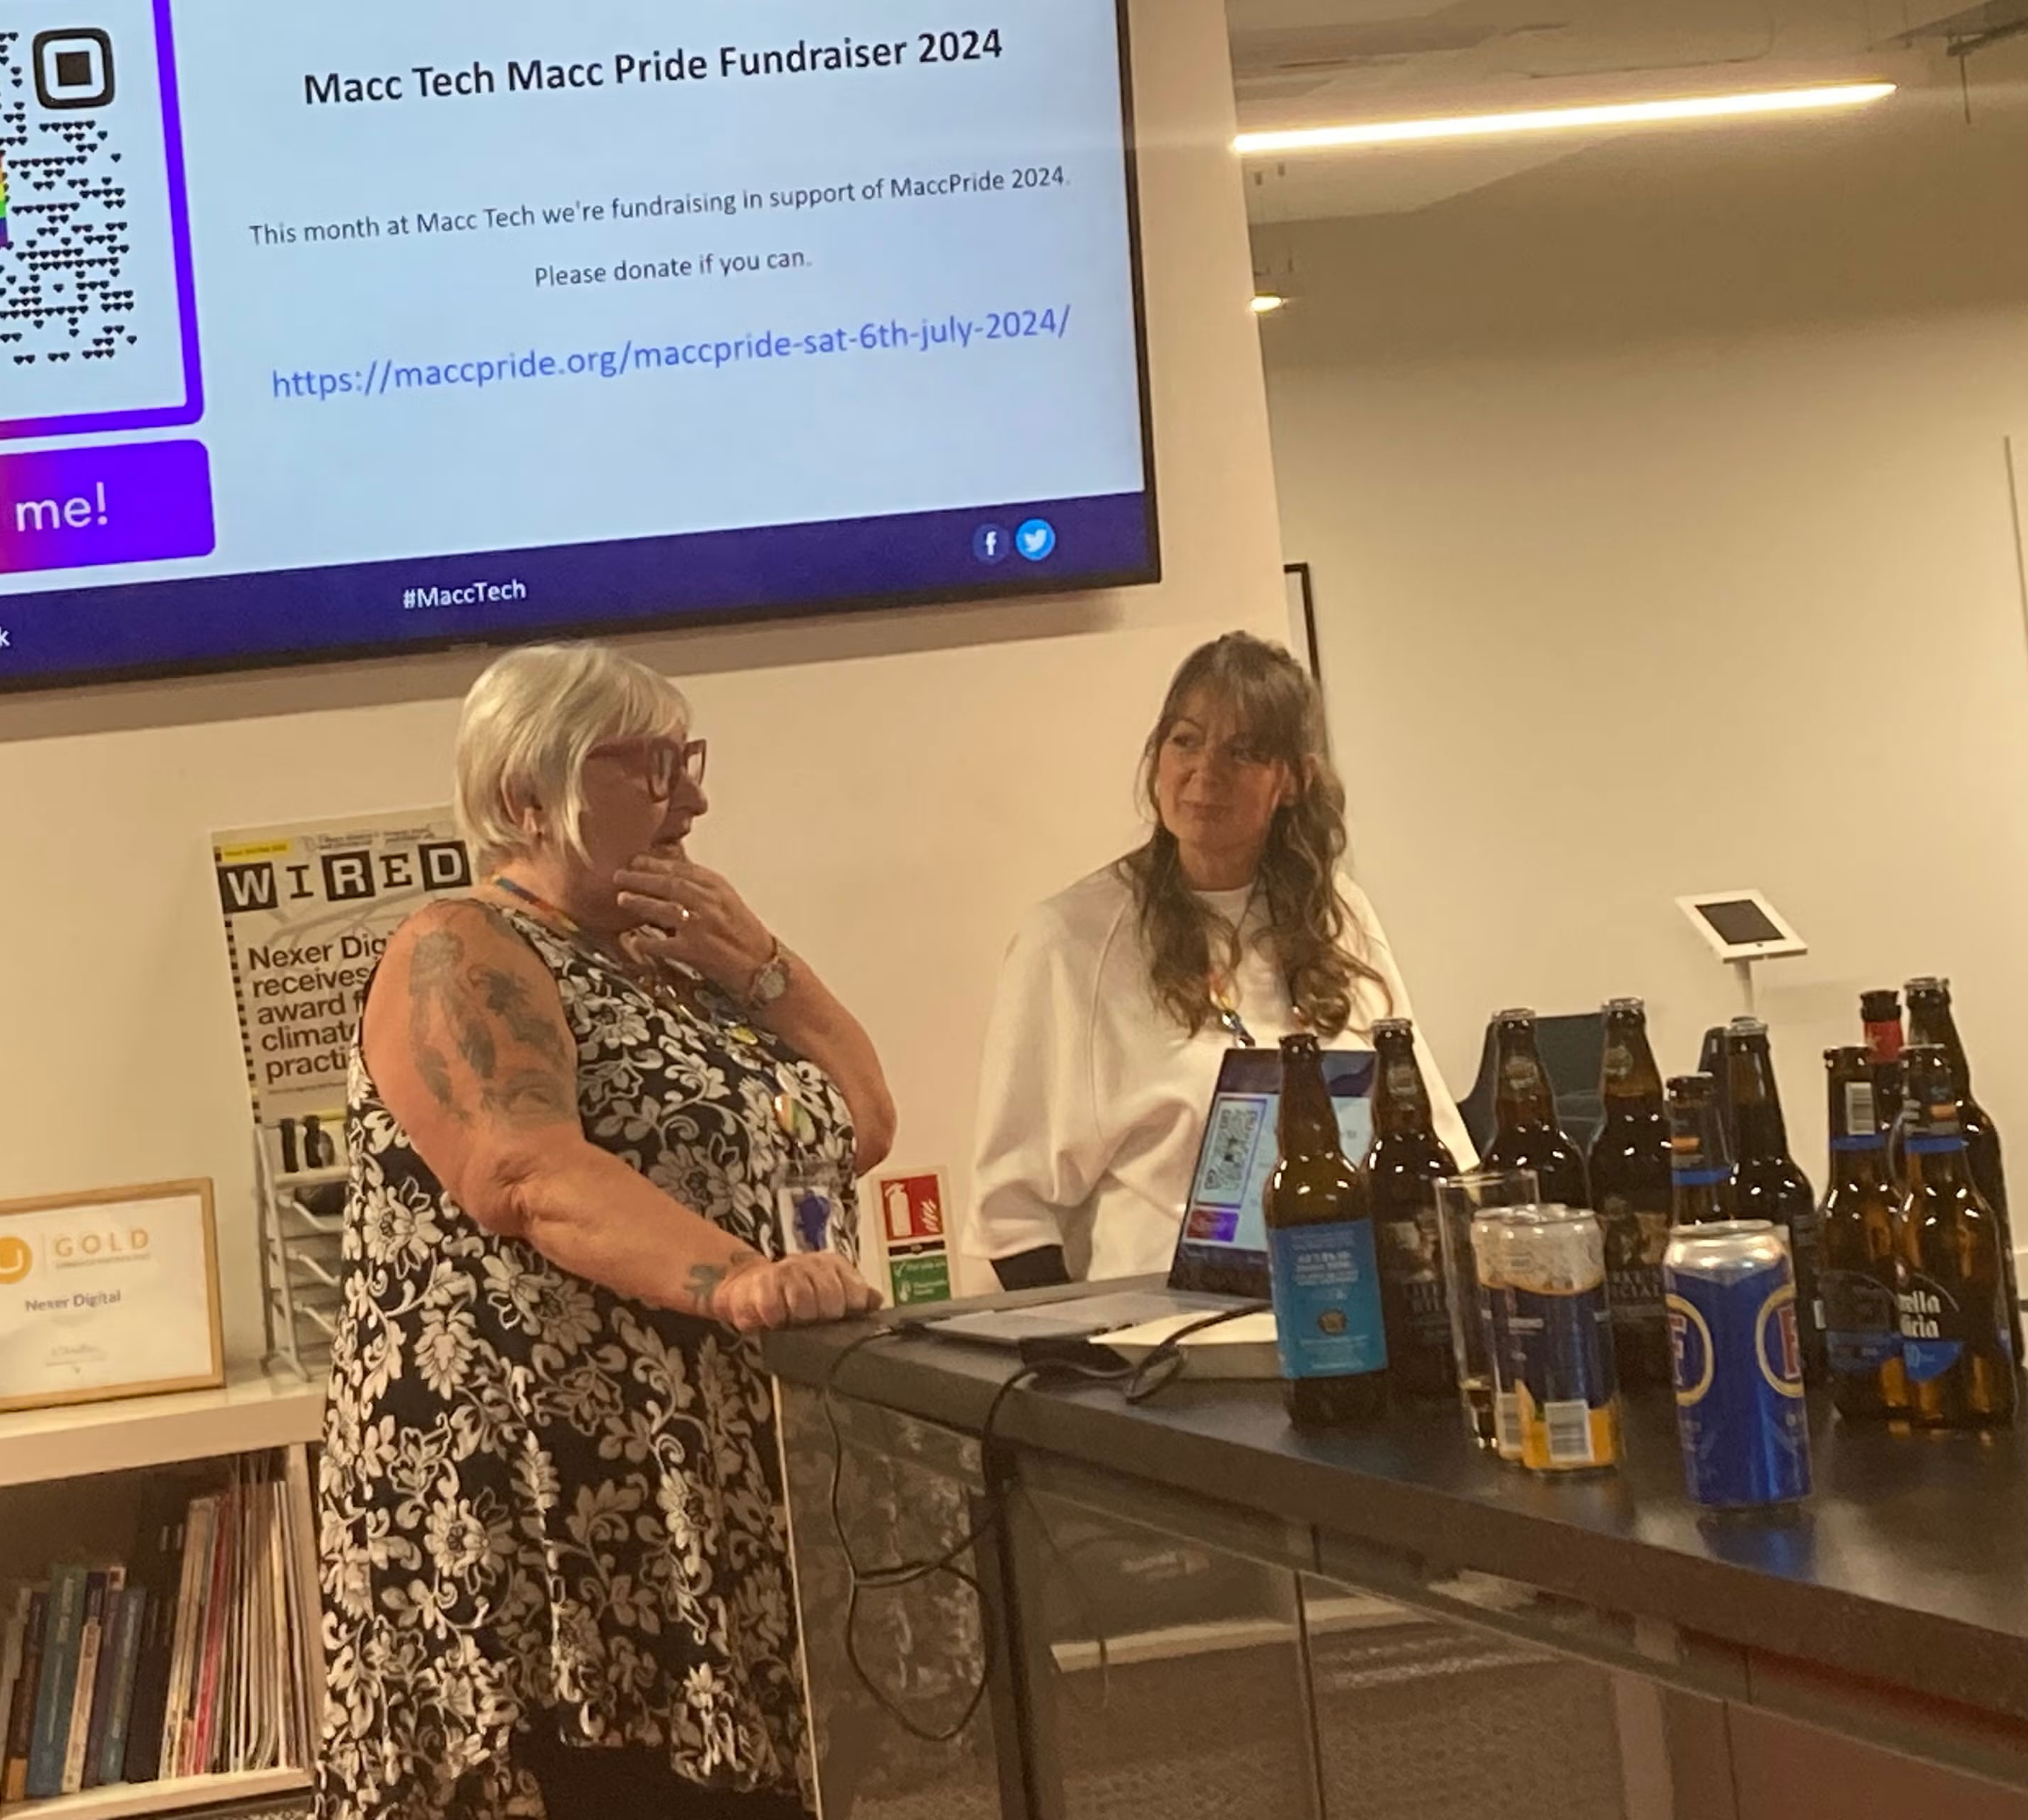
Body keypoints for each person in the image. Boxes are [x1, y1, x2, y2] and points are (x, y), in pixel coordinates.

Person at [316, 642, 893, 1820]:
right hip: (543, 1503)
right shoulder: (458, 945)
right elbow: (520, 1168)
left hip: (698, 1483)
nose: (694, 798)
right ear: (531, 792)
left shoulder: (674, 963)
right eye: (653, 767)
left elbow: (859, 1122)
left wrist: (766, 966)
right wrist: (739, 1282)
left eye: (692, 762)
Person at [969, 632, 1469, 1286]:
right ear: (1156, 760)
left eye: (1245, 751)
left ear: (1292, 781)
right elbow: (1011, 1214)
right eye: (1186, 740)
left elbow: (1428, 1128)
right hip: (1169, 1340)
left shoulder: (1337, 912)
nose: (1206, 774)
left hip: (1357, 1298)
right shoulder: (1069, 939)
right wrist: (1089, 1368)